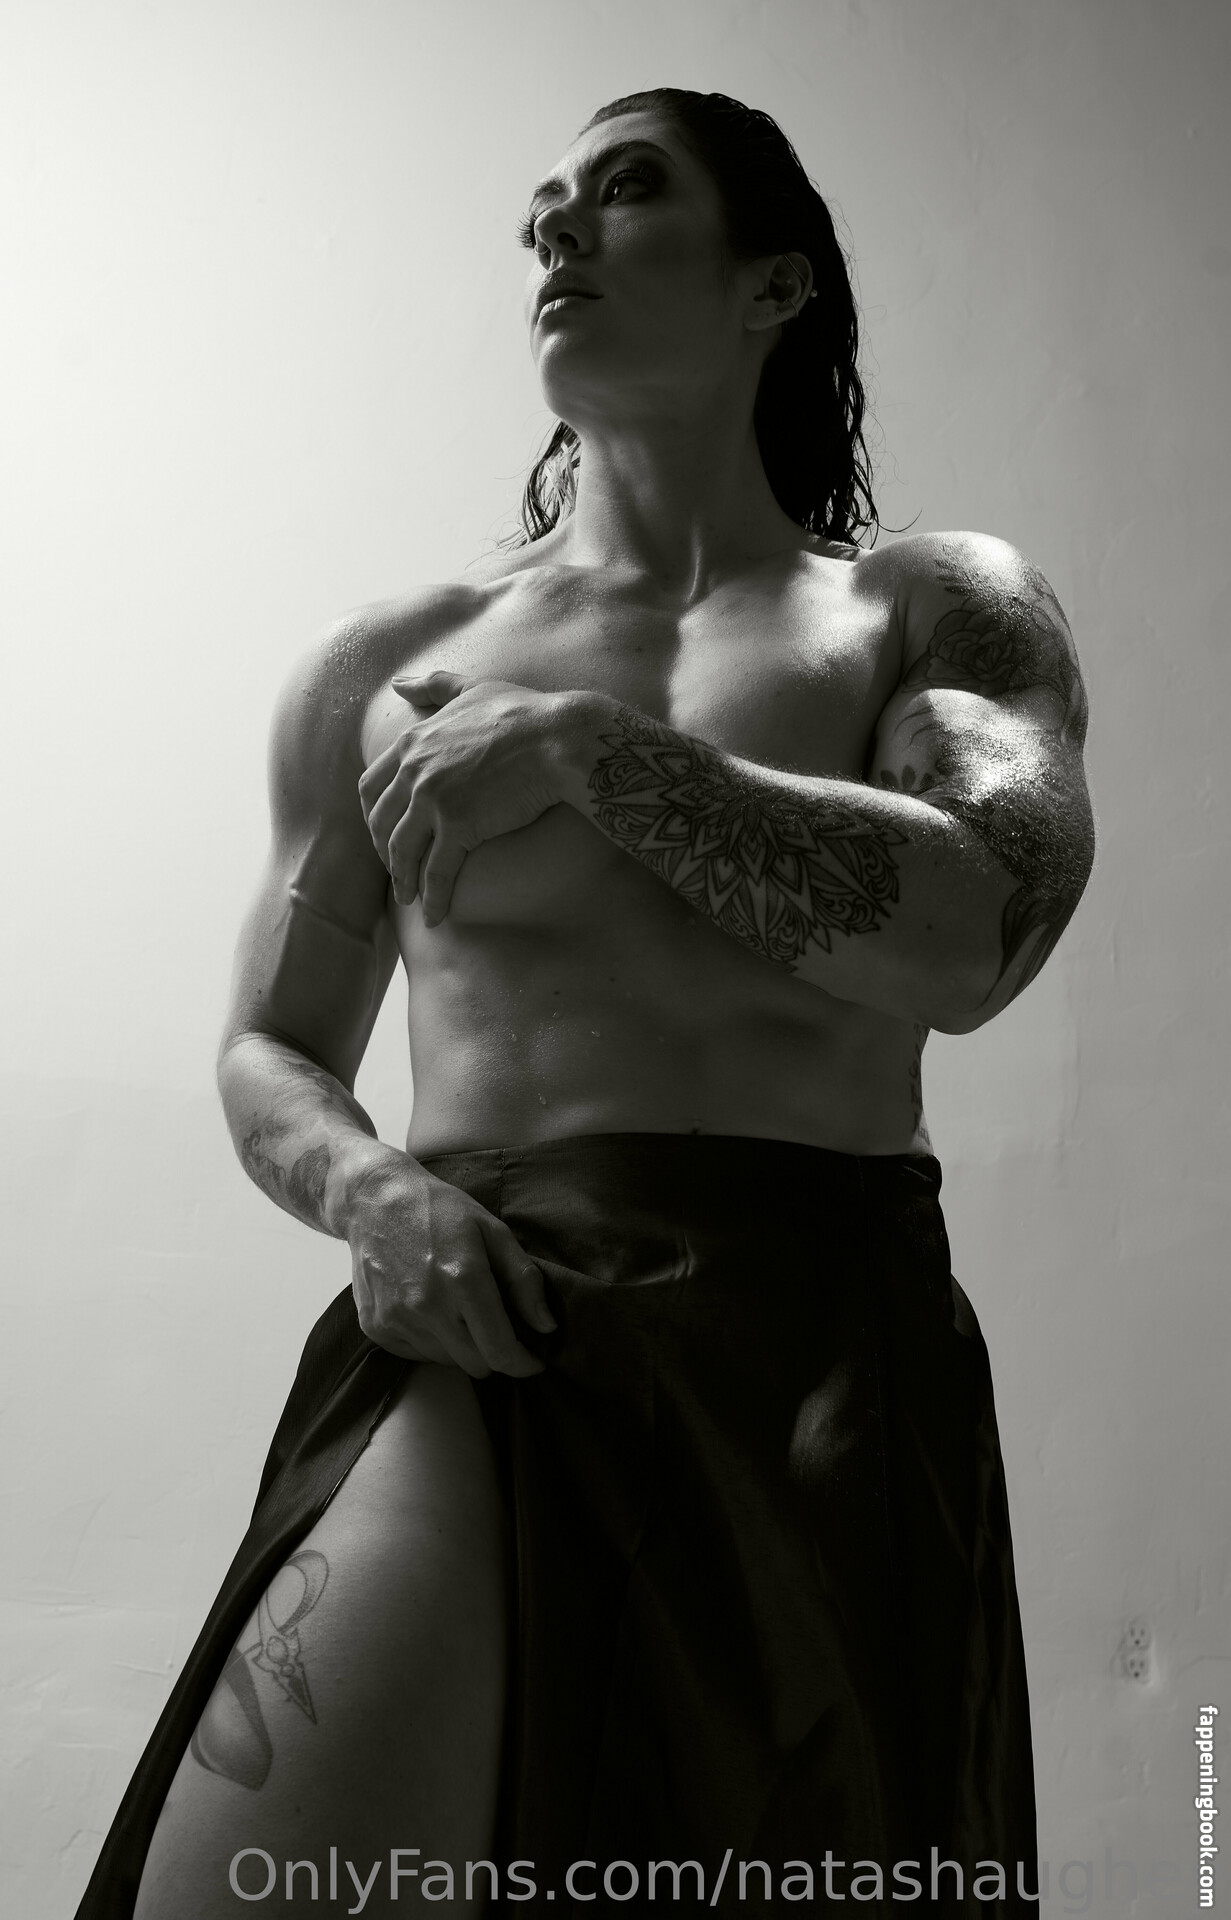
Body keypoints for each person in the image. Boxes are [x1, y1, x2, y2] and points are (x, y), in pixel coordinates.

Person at [76, 88, 1092, 1920]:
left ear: (775, 284)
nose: (556, 231)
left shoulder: (928, 613)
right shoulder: (390, 667)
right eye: (544, 206)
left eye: (626, 192)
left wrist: (596, 758)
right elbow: (273, 1047)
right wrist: (368, 1191)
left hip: (824, 1352)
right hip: (493, 1309)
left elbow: (979, 932)